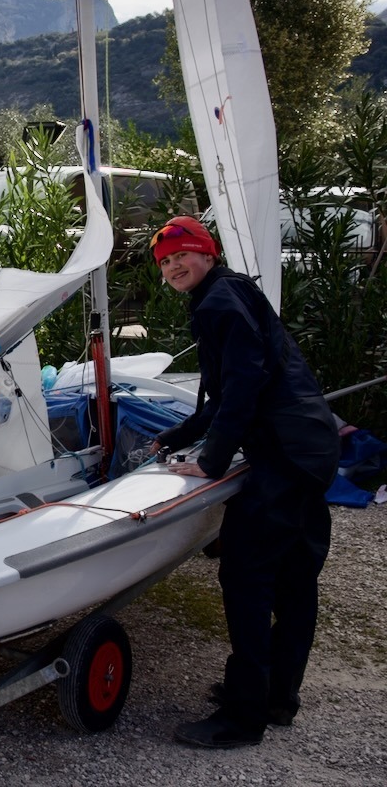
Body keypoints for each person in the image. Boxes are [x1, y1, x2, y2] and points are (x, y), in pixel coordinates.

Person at [148, 216, 338, 750]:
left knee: (246, 576)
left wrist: (210, 462)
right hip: (311, 449)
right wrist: (179, 435)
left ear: (207, 254)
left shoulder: (218, 303)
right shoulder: (232, 292)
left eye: (183, 254)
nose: (174, 266)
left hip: (284, 456)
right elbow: (233, 387)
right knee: (295, 579)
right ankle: (277, 696)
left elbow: (244, 387)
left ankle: (242, 716)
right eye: (165, 262)